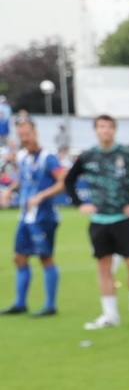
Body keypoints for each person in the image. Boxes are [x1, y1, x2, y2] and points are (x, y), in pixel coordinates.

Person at [63, 115, 129, 330]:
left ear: (114, 130)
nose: (105, 130)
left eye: (109, 126)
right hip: (99, 221)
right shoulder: (87, 156)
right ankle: (110, 315)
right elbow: (69, 180)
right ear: (96, 130)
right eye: (101, 126)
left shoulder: (127, 153)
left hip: (124, 220)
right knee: (104, 269)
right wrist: (79, 204)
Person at [3, 118, 65, 317]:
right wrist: (10, 190)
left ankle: (51, 305)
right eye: (21, 135)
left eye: (27, 134)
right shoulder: (23, 158)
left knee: (45, 258)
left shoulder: (49, 158)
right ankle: (21, 303)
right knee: (20, 258)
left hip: (45, 217)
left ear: (35, 133)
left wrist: (42, 196)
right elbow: (24, 179)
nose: (25, 139)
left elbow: (63, 182)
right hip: (26, 217)